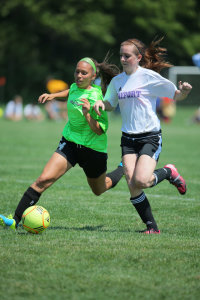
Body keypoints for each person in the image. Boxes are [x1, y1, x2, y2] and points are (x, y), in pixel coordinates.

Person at [0, 57, 123, 231]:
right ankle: (15, 221)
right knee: (43, 180)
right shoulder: (74, 87)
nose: (79, 76)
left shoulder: (97, 98)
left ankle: (122, 169)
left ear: (93, 75)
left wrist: (88, 114)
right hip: (70, 143)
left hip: (93, 150)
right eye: (77, 71)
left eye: (84, 73)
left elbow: (100, 130)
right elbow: (70, 91)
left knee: (100, 189)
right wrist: (53, 96)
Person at [93, 37, 192, 234]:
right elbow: (111, 104)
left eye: (127, 56)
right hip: (128, 138)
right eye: (121, 55)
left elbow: (175, 95)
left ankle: (169, 172)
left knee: (142, 180)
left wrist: (184, 92)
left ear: (138, 57)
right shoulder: (117, 81)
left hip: (150, 136)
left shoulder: (148, 77)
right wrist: (102, 105)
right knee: (132, 183)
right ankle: (152, 228)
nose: (122, 59)